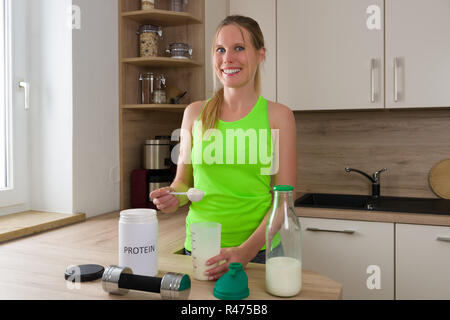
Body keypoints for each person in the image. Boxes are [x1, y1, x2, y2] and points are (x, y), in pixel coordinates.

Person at [150, 15, 297, 281]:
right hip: (199, 249)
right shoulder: (193, 113)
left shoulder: (279, 116)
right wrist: (173, 196)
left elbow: (284, 201)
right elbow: (183, 182)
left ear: (260, 54)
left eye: (239, 48)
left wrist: (245, 251)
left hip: (259, 254)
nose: (227, 58)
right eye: (220, 49)